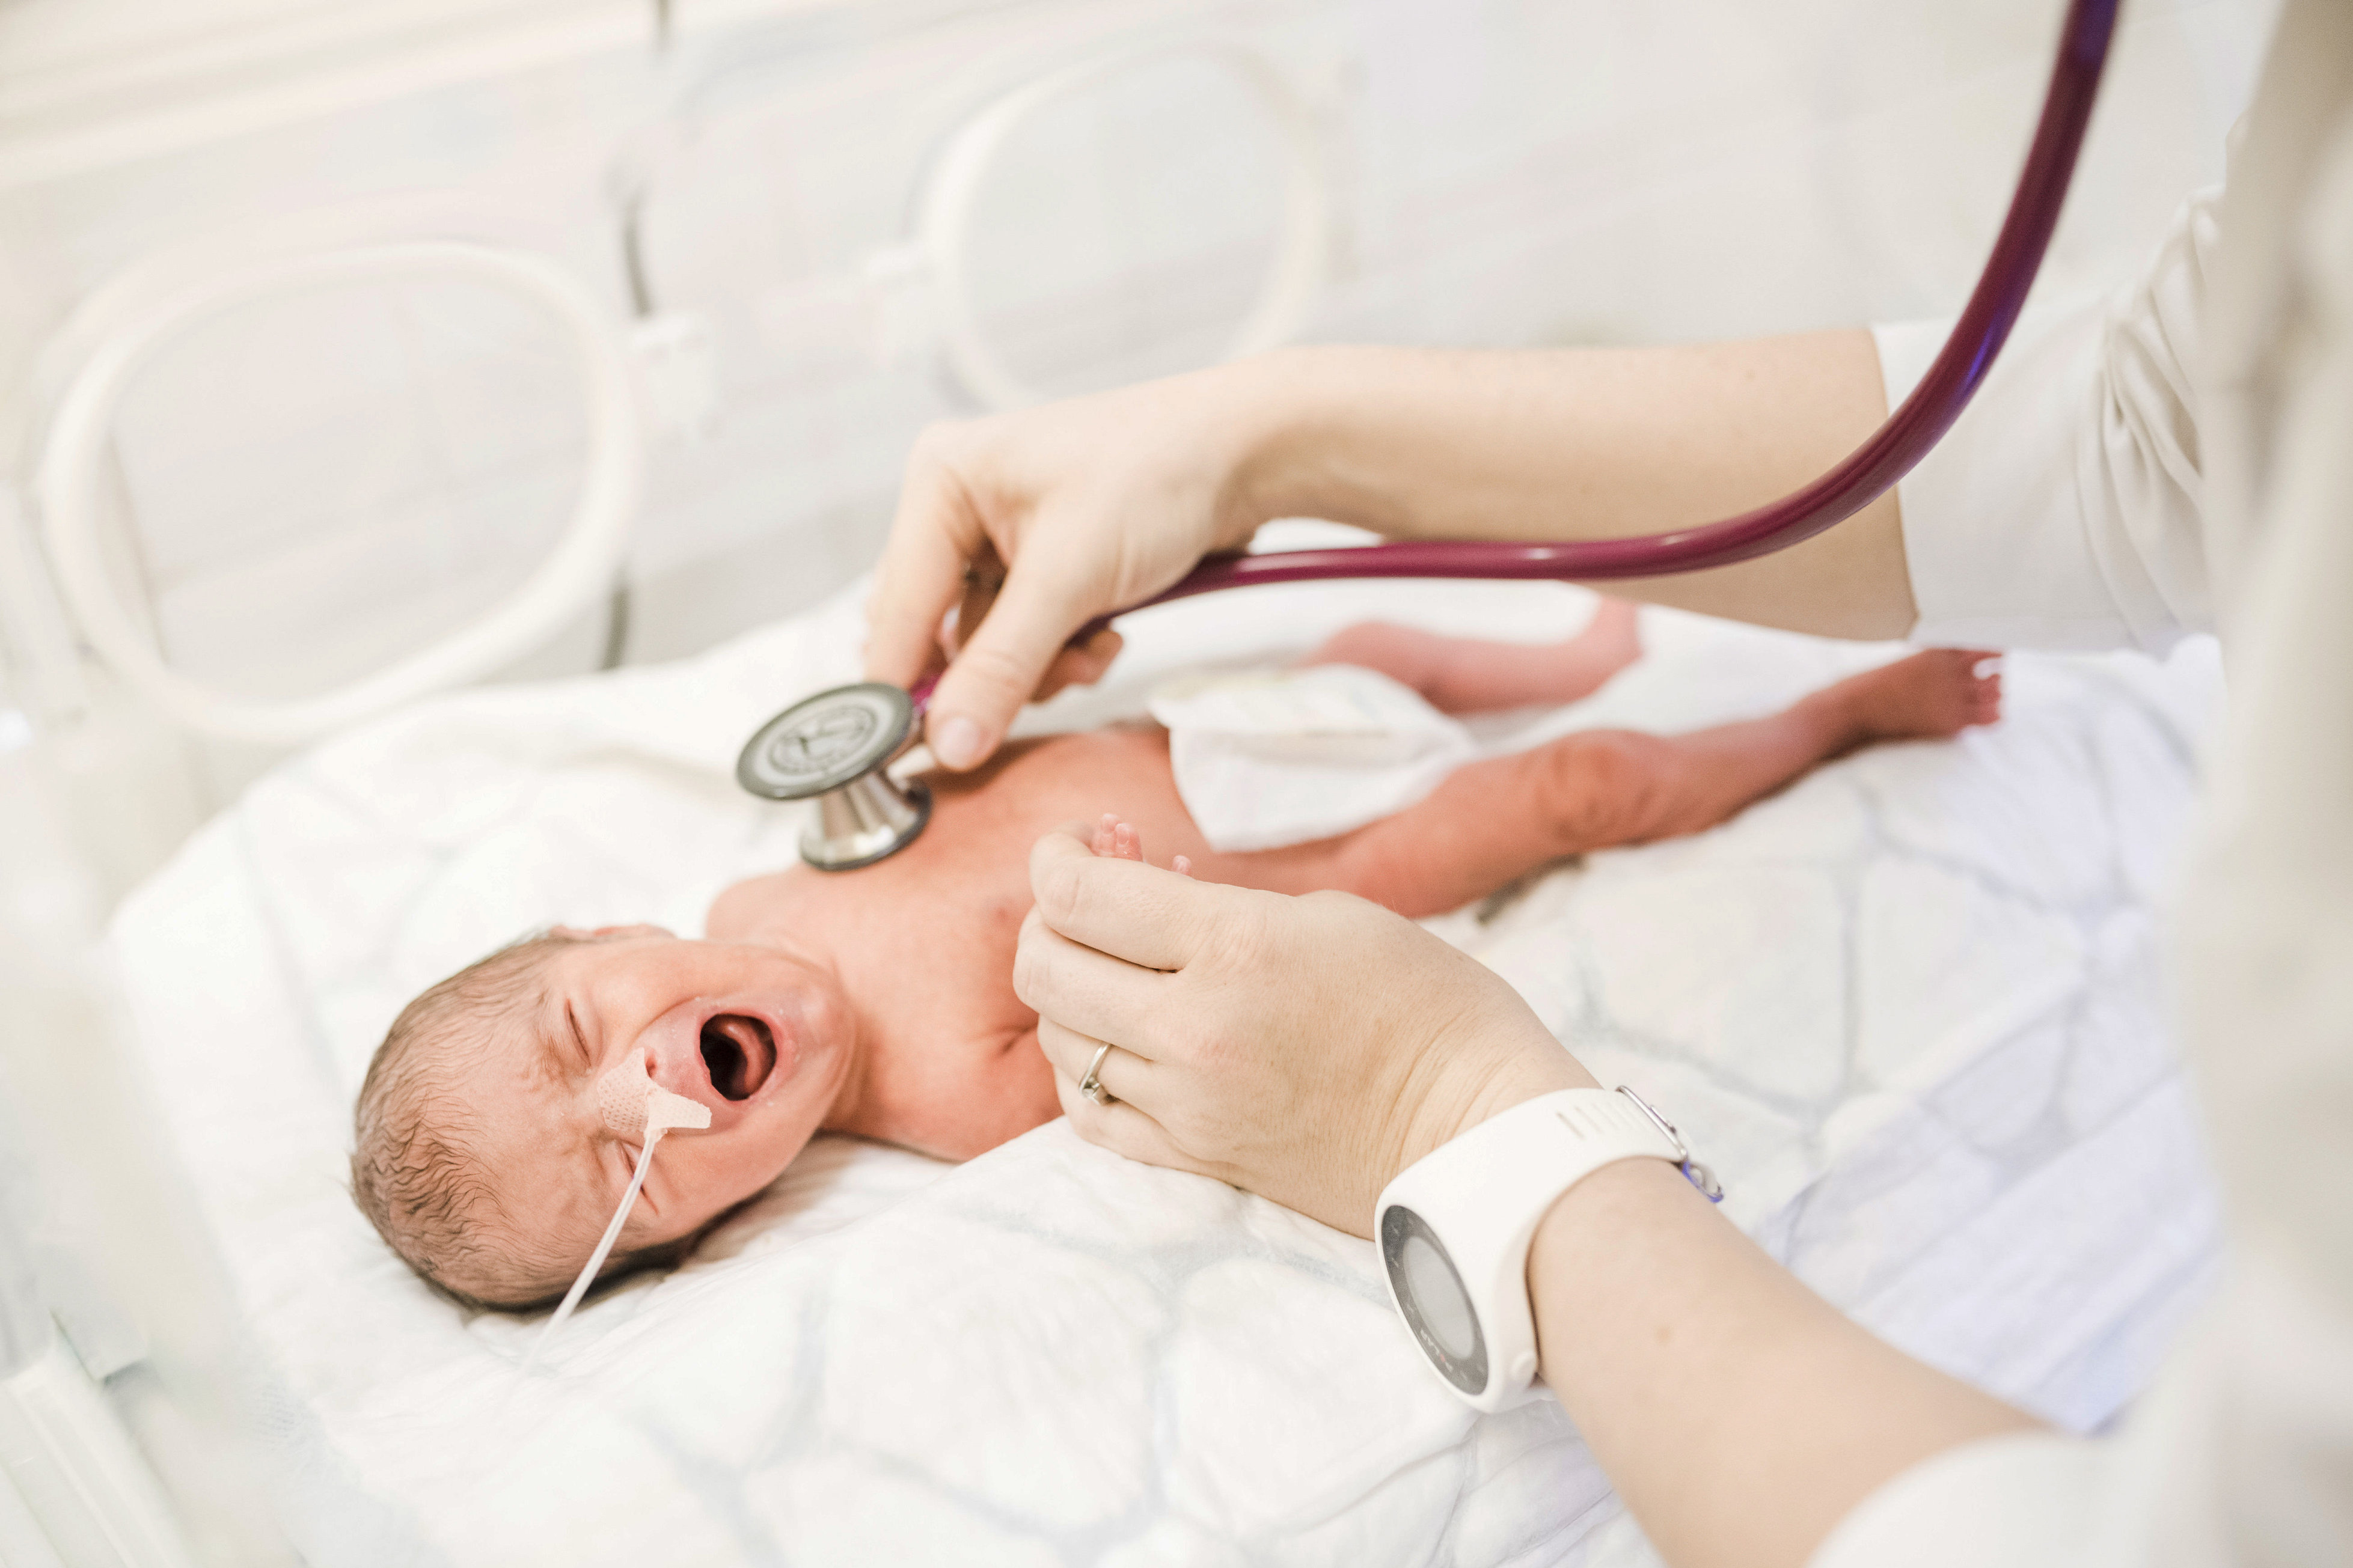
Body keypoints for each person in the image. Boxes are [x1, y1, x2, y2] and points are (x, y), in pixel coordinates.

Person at [856, 5, 2353, 1564]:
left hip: (1337, 763)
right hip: (1323, 761)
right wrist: (1258, 436)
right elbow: (2168, 431)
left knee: (1569, 765)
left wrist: (1452, 1115)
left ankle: (1783, 706)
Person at [349, 607, 1994, 1308]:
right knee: (1577, 790)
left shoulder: (748, 886)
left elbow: (919, 769)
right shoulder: (938, 1101)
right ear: (712, 1230)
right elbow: (1120, 1041)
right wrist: (1115, 919)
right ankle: (1837, 714)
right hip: (1323, 856)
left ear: (600, 931)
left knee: (1364, 649)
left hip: (1205, 725)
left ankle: (1543, 649)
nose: (643, 1096)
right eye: (632, 1180)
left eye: (582, 1027)